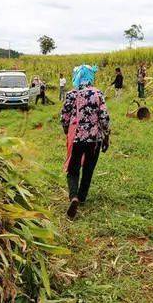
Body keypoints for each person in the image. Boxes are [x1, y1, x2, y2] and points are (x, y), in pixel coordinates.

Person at [61, 65, 110, 220]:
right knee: (88, 168)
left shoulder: (71, 94)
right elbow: (104, 118)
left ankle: (73, 196)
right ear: (90, 77)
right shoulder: (98, 93)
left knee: (73, 168)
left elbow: (64, 117)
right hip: (94, 139)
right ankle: (82, 197)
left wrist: (67, 133)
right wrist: (106, 136)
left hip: (76, 138)